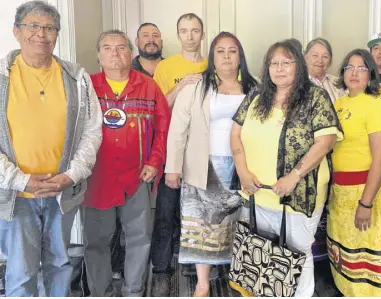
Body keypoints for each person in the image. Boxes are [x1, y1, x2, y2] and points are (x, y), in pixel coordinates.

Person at [0, 1, 103, 296]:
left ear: (57, 34)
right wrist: (23, 180)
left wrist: (71, 176)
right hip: (16, 195)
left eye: (49, 28)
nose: (41, 34)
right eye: (33, 26)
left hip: (62, 192)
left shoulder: (75, 77)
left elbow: (92, 131)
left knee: (60, 262)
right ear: (16, 32)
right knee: (21, 270)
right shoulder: (2, 77)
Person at [230, 39, 342, 297]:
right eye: (274, 63)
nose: (279, 68)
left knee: (297, 257)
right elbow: (235, 133)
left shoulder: (315, 96)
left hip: (298, 194)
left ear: (298, 66)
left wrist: (294, 176)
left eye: (286, 63)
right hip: (259, 192)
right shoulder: (257, 96)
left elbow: (325, 141)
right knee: (263, 253)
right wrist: (243, 172)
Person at [165, 31, 258, 297]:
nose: (227, 56)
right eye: (220, 51)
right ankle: (203, 283)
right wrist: (173, 167)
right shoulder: (197, 88)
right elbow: (178, 129)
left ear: (240, 57)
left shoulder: (257, 88)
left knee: (242, 224)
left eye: (232, 51)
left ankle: (242, 277)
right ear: (212, 58)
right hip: (203, 166)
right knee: (201, 224)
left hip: (245, 168)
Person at [82, 30, 170, 297]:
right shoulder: (86, 86)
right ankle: (101, 292)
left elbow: (163, 128)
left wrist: (155, 162)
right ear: (98, 55)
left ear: (130, 53)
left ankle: (134, 291)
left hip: (137, 177)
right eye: (107, 47)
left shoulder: (148, 86)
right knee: (96, 242)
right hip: (97, 178)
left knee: (139, 239)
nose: (115, 53)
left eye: (121, 47)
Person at [327, 49, 381, 296]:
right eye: (349, 67)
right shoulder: (338, 104)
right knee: (346, 253)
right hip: (340, 192)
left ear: (370, 74)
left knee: (369, 252)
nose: (354, 73)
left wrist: (365, 203)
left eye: (361, 68)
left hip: (366, 190)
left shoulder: (376, 107)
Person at [151, 13, 209, 296]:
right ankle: (161, 270)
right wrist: (180, 85)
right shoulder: (166, 66)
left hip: (204, 152)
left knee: (198, 214)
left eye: (194, 30)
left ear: (202, 34)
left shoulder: (214, 64)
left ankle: (192, 264)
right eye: (184, 31)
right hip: (171, 150)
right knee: (165, 211)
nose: (189, 36)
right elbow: (158, 107)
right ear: (178, 35)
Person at [304, 38, 345, 103]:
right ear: (305, 57)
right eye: (315, 56)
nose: (320, 61)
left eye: (325, 57)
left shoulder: (338, 83)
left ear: (330, 61)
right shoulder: (296, 84)